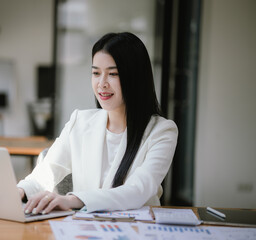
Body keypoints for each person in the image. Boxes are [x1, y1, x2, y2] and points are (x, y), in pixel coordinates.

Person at [17, 32, 178, 215]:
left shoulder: (162, 131)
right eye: (96, 73)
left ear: (135, 77)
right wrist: (19, 191)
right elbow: (48, 172)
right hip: (85, 230)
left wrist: (72, 200)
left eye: (113, 74)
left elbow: (138, 190)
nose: (101, 83)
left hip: (137, 230)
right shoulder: (79, 122)